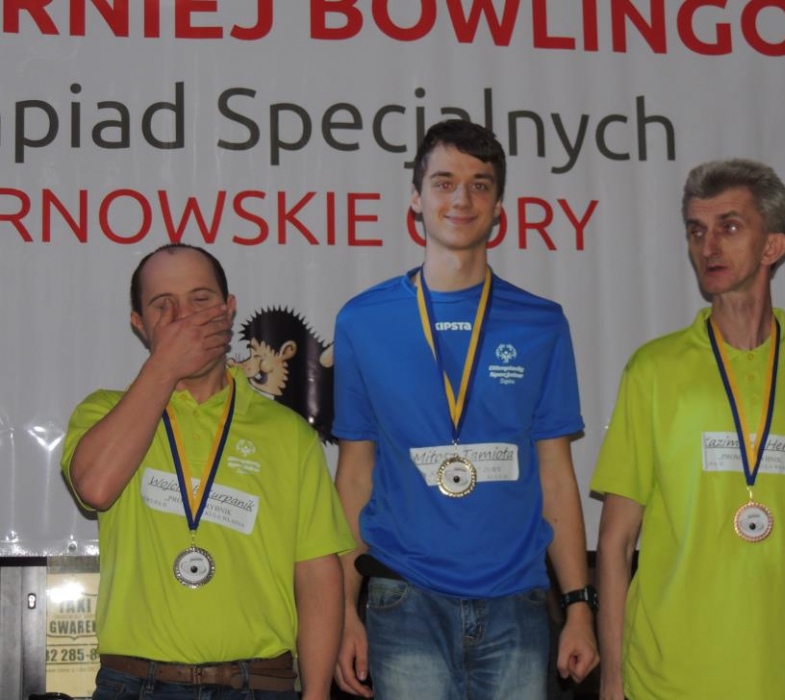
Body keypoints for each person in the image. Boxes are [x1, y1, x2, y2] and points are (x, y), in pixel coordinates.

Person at [592, 159, 785, 699]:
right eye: (696, 230)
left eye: (728, 227)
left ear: (773, 245)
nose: (708, 246)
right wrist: (612, 681)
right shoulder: (653, 371)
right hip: (670, 680)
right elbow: (616, 541)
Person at [332, 119, 599, 699]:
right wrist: (344, 610)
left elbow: (556, 474)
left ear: (499, 207)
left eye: (480, 185)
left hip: (518, 600)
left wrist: (578, 605)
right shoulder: (362, 320)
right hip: (403, 597)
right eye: (444, 182)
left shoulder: (542, 323)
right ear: (416, 198)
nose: (461, 199)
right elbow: (354, 474)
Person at [61, 243, 355, 700]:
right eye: (163, 305)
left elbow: (317, 574)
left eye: (200, 299)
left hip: (259, 683)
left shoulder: (288, 432)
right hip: (136, 684)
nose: (184, 318)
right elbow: (95, 489)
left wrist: (316, 694)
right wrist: (166, 365)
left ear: (228, 309)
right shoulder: (103, 412)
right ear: (138, 323)